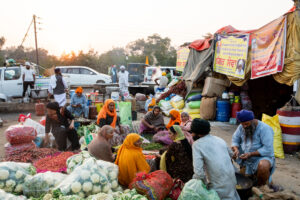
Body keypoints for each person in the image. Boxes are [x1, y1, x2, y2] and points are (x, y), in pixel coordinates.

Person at [192, 118, 240, 200]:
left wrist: (204, 186)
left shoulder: (197, 145)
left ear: (198, 134)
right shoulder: (219, 139)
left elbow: (199, 173)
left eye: (192, 132)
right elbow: (232, 155)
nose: (191, 135)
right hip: (232, 181)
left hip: (219, 187)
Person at [231, 110, 275, 187]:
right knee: (228, 153)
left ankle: (260, 186)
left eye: (246, 124)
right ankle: (246, 173)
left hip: (262, 157)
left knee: (263, 166)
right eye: (242, 124)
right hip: (246, 157)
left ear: (253, 120)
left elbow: (268, 149)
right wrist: (236, 149)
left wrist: (251, 154)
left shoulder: (265, 129)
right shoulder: (242, 126)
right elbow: (235, 140)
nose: (244, 126)